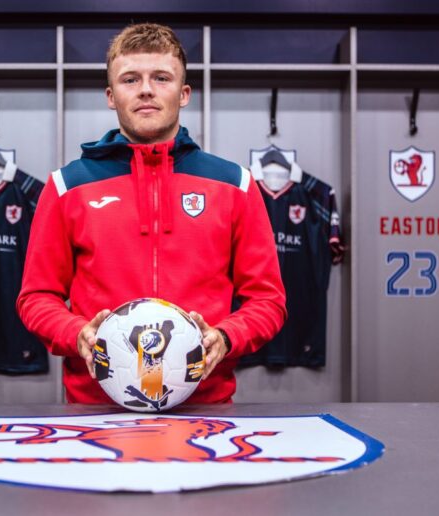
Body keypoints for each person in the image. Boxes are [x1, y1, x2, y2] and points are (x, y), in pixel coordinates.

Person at [16, 23, 285, 404]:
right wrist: (78, 334)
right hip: (95, 413)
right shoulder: (66, 186)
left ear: (184, 92)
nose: (146, 89)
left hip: (205, 411)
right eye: (130, 79)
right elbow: (36, 297)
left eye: (161, 77)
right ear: (111, 96)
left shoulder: (235, 184)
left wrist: (226, 337)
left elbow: (267, 300)